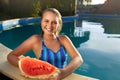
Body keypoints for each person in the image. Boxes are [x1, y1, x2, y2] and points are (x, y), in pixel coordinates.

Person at [7, 8, 83, 80]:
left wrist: (62, 73)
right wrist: (27, 67)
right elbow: (11, 56)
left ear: (58, 24)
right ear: (41, 21)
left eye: (54, 22)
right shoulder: (35, 40)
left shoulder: (63, 39)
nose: (49, 25)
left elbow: (78, 59)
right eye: (46, 21)